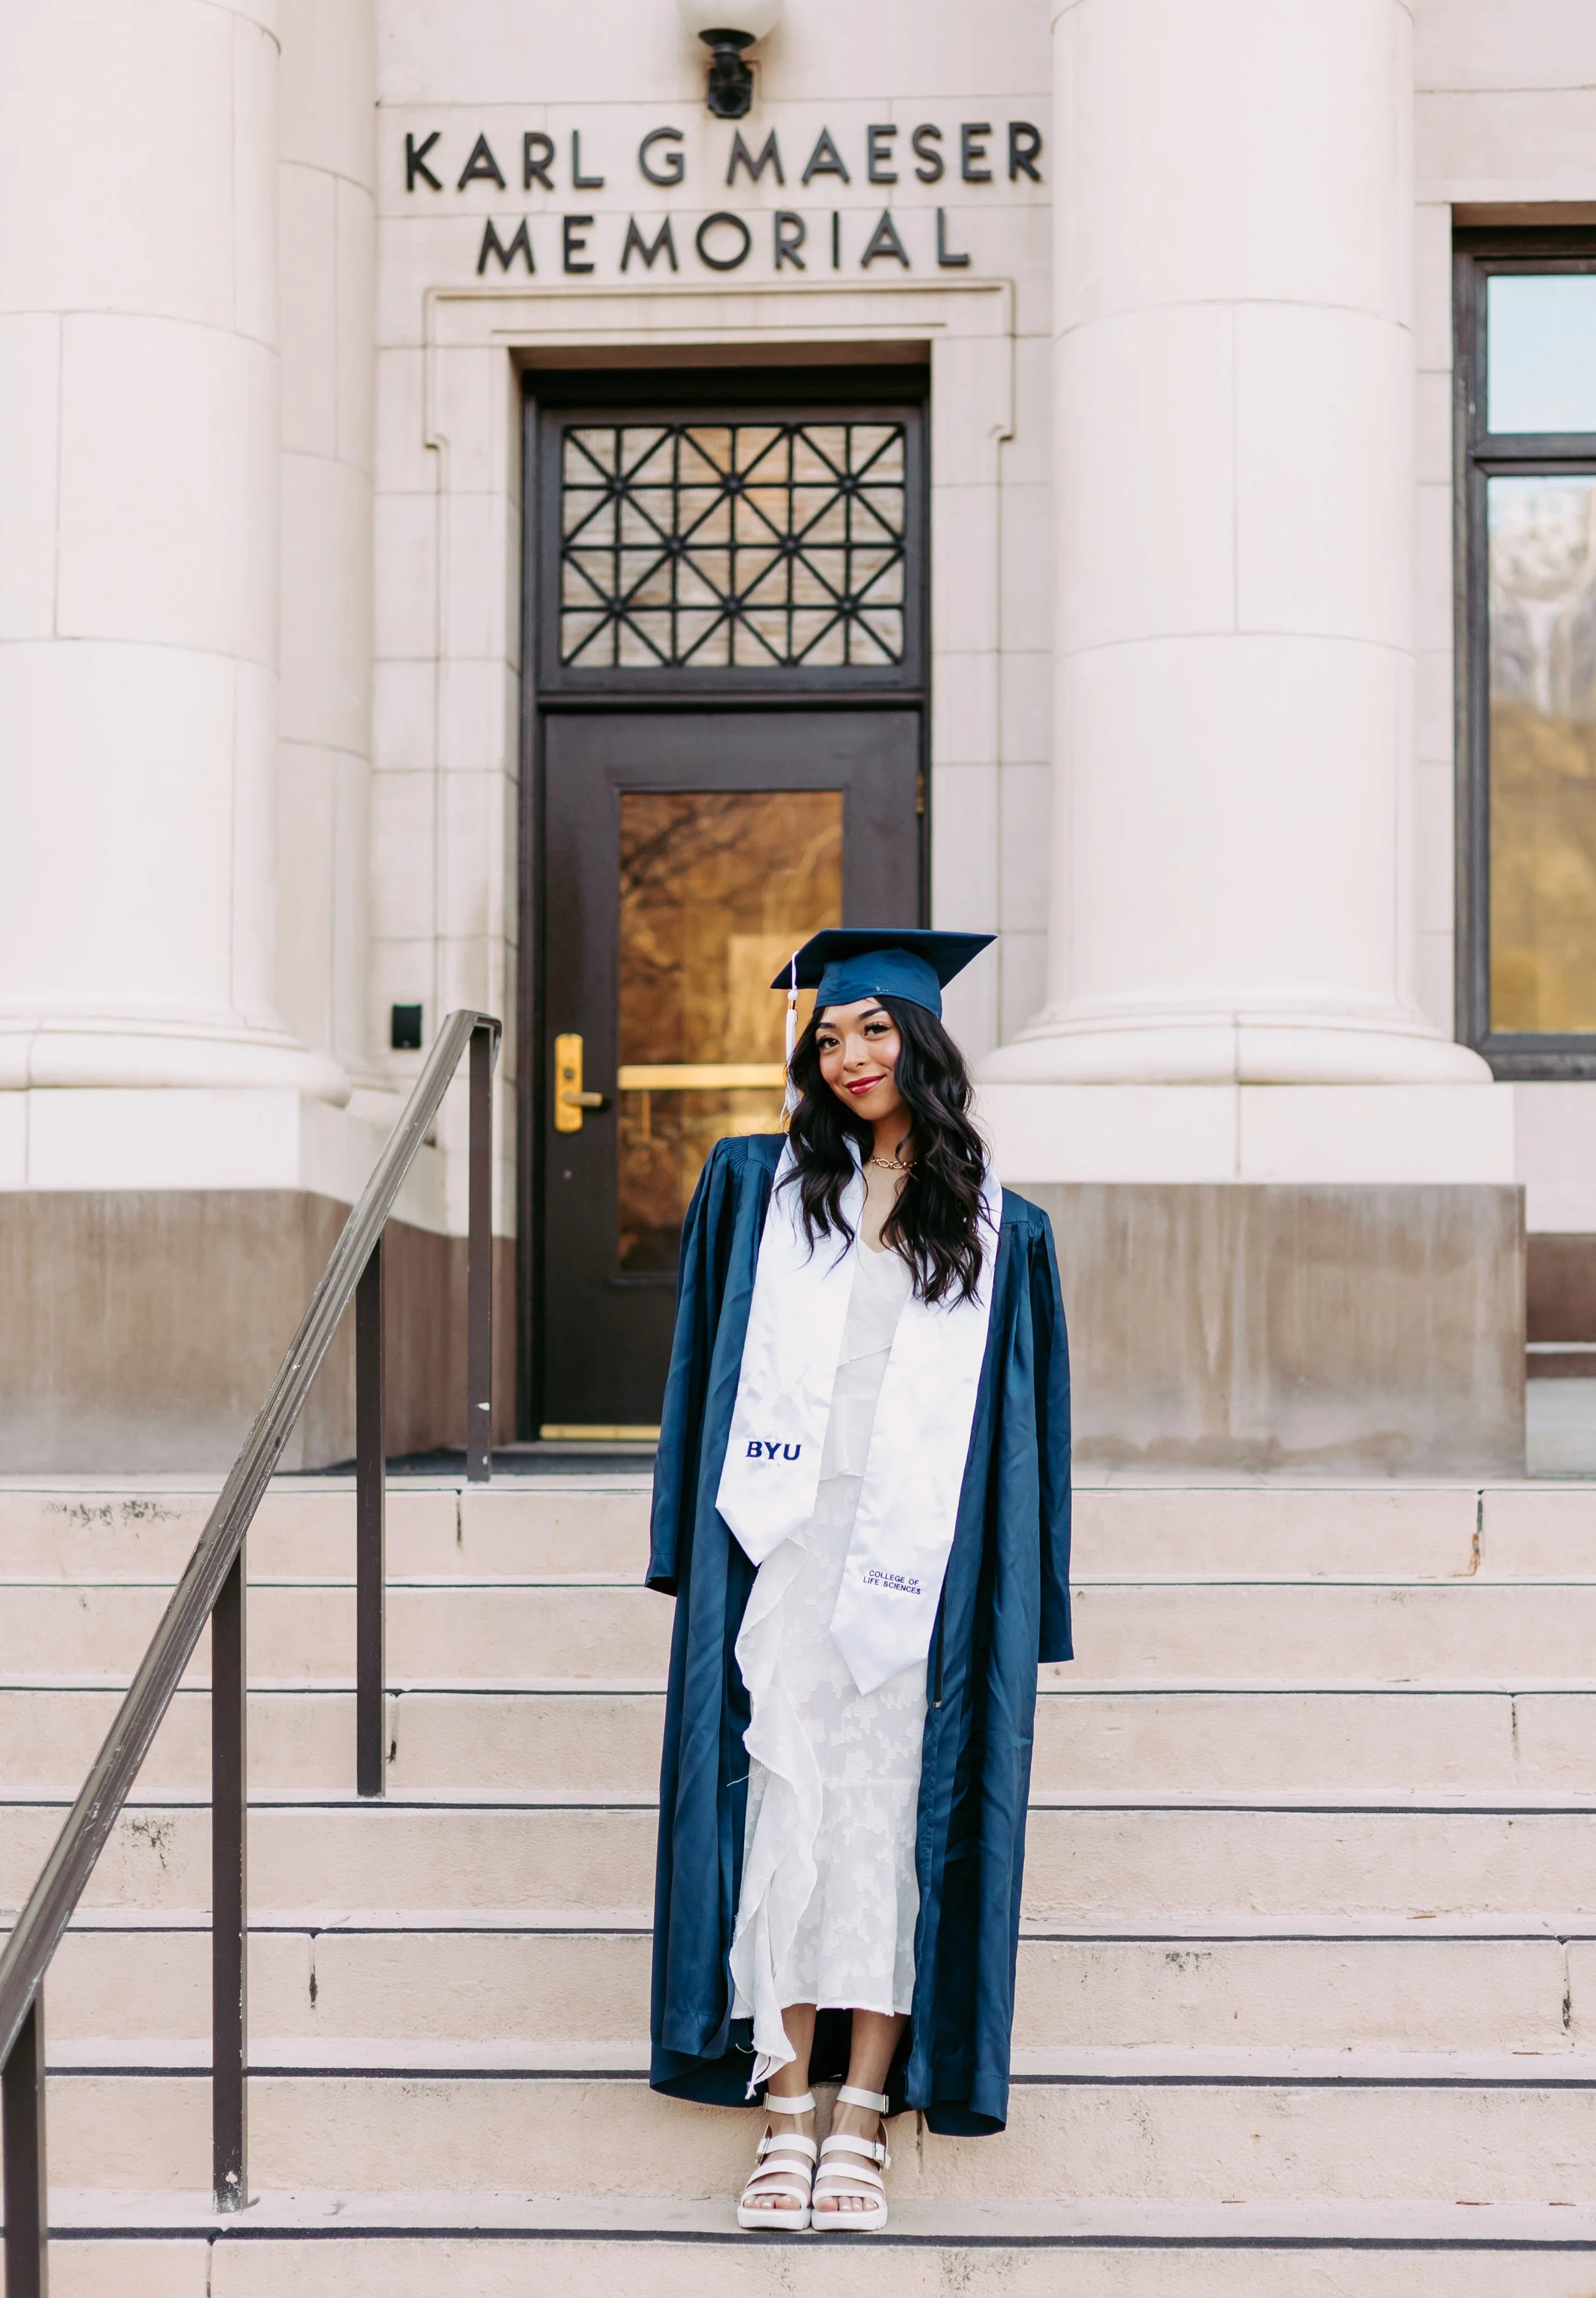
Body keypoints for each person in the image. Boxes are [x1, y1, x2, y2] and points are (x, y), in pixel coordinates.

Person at [646, 928, 1072, 2234]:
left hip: (916, 1563)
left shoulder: (1005, 1230)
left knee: (886, 1820)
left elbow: (1028, 1439)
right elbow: (697, 1377)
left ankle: (862, 2114)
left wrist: (1022, 1597)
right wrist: (684, 1542)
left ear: (925, 1045)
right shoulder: (750, 1190)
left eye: (874, 1031)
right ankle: (784, 2103)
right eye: (826, 1038)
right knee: (780, 1804)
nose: (847, 1058)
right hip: (782, 1547)